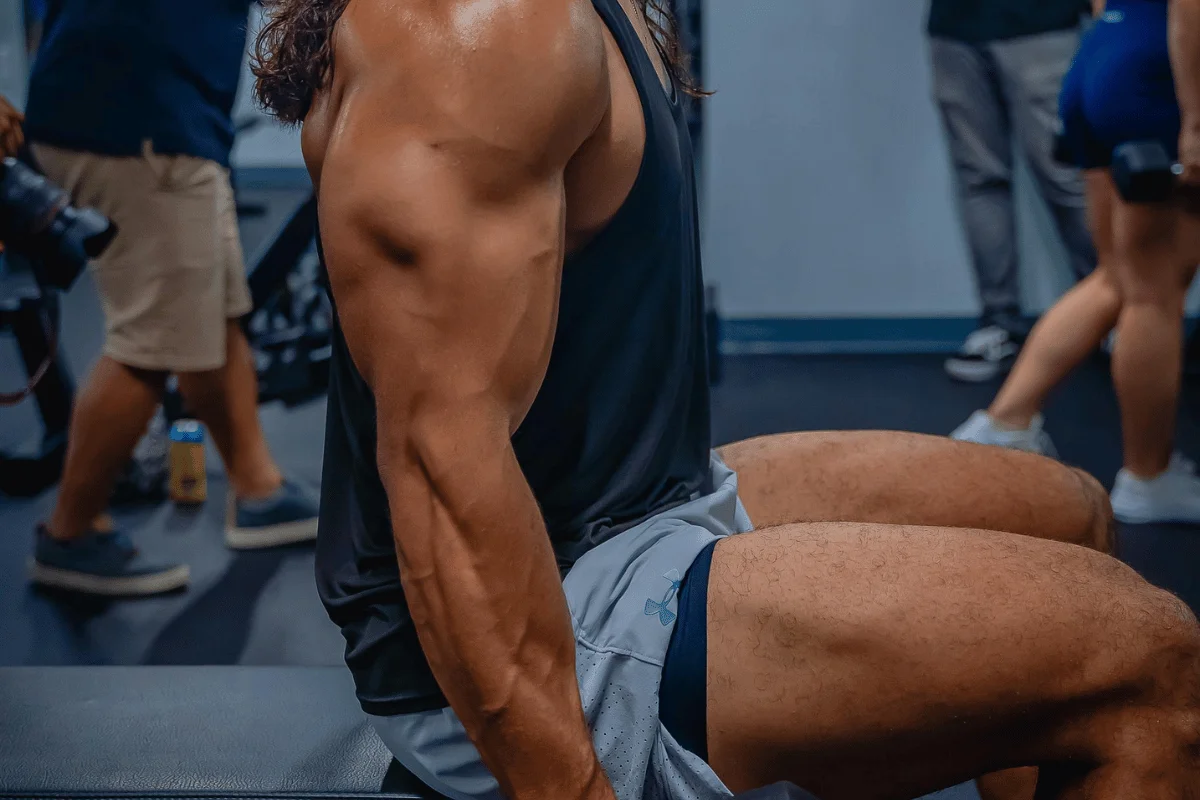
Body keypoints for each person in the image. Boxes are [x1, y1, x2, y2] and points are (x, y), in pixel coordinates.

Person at [255, 0, 1200, 798]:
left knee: (1063, 511)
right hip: (539, 626)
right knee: (1154, 660)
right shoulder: (481, 31)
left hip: (628, 512)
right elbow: (438, 473)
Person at [21, 0, 320, 597]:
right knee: (152, 343)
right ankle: (70, 532)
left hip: (163, 117)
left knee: (217, 314)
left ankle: (258, 488)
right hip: (136, 122)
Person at [953, 0, 1200, 526]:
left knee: (1117, 276)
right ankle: (1149, 479)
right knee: (1155, 291)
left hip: (1104, 58)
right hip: (1159, 72)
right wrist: (1196, 120)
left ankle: (1007, 422)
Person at [930, 0, 1098, 382]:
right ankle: (999, 323)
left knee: (1065, 175)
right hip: (954, 27)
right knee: (979, 177)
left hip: (1041, 24)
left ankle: (1109, 314)